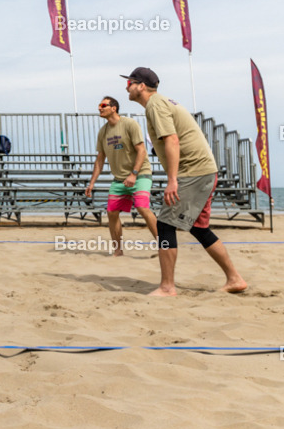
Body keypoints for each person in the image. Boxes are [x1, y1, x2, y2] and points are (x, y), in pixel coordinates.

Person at [123, 67, 247, 295]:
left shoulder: (155, 105)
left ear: (141, 86)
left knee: (164, 225)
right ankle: (235, 279)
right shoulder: (162, 103)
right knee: (199, 228)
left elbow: (172, 140)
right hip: (203, 170)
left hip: (193, 171)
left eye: (130, 83)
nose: (126, 87)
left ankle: (167, 287)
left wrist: (172, 180)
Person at [85, 96, 158, 256]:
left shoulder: (130, 124)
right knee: (111, 213)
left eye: (103, 105)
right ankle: (118, 251)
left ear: (114, 108)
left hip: (140, 174)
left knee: (142, 208)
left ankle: (164, 246)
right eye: (99, 105)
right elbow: (100, 159)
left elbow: (141, 151)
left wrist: (133, 174)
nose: (99, 108)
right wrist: (92, 183)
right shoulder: (103, 132)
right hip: (119, 179)